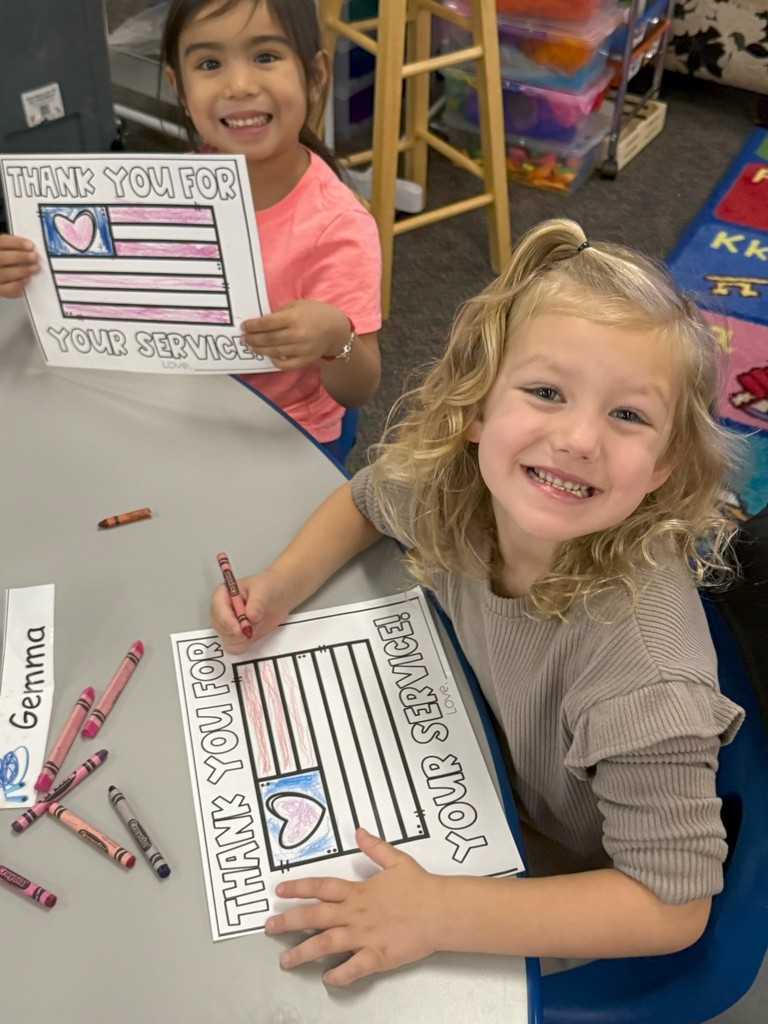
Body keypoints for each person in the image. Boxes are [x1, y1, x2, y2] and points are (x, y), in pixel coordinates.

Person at [210, 218, 745, 986]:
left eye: (628, 415)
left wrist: (439, 913)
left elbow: (670, 906)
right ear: (475, 409)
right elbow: (365, 499)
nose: (579, 438)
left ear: (664, 465)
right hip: (468, 776)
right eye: (546, 392)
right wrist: (279, 585)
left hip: (552, 880)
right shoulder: (457, 495)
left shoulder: (646, 676)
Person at [0, 0, 382, 458]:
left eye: (265, 56)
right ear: (178, 87)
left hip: (279, 434)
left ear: (315, 75)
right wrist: (30, 269)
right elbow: (120, 293)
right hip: (169, 408)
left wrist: (335, 336)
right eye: (209, 63)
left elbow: (357, 389)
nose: (239, 85)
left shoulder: (336, 227)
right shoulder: (166, 190)